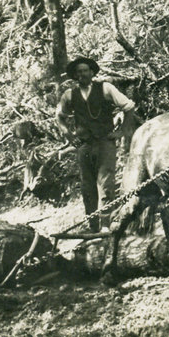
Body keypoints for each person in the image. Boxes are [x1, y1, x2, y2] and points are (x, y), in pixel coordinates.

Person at [56, 57, 136, 232]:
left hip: (104, 142)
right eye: (79, 72)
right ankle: (93, 226)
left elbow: (129, 107)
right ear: (75, 76)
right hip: (84, 145)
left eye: (85, 70)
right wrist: (69, 135)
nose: (82, 74)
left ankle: (105, 224)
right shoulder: (69, 94)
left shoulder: (106, 88)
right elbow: (60, 117)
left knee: (106, 183)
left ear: (92, 72)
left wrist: (121, 131)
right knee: (87, 186)